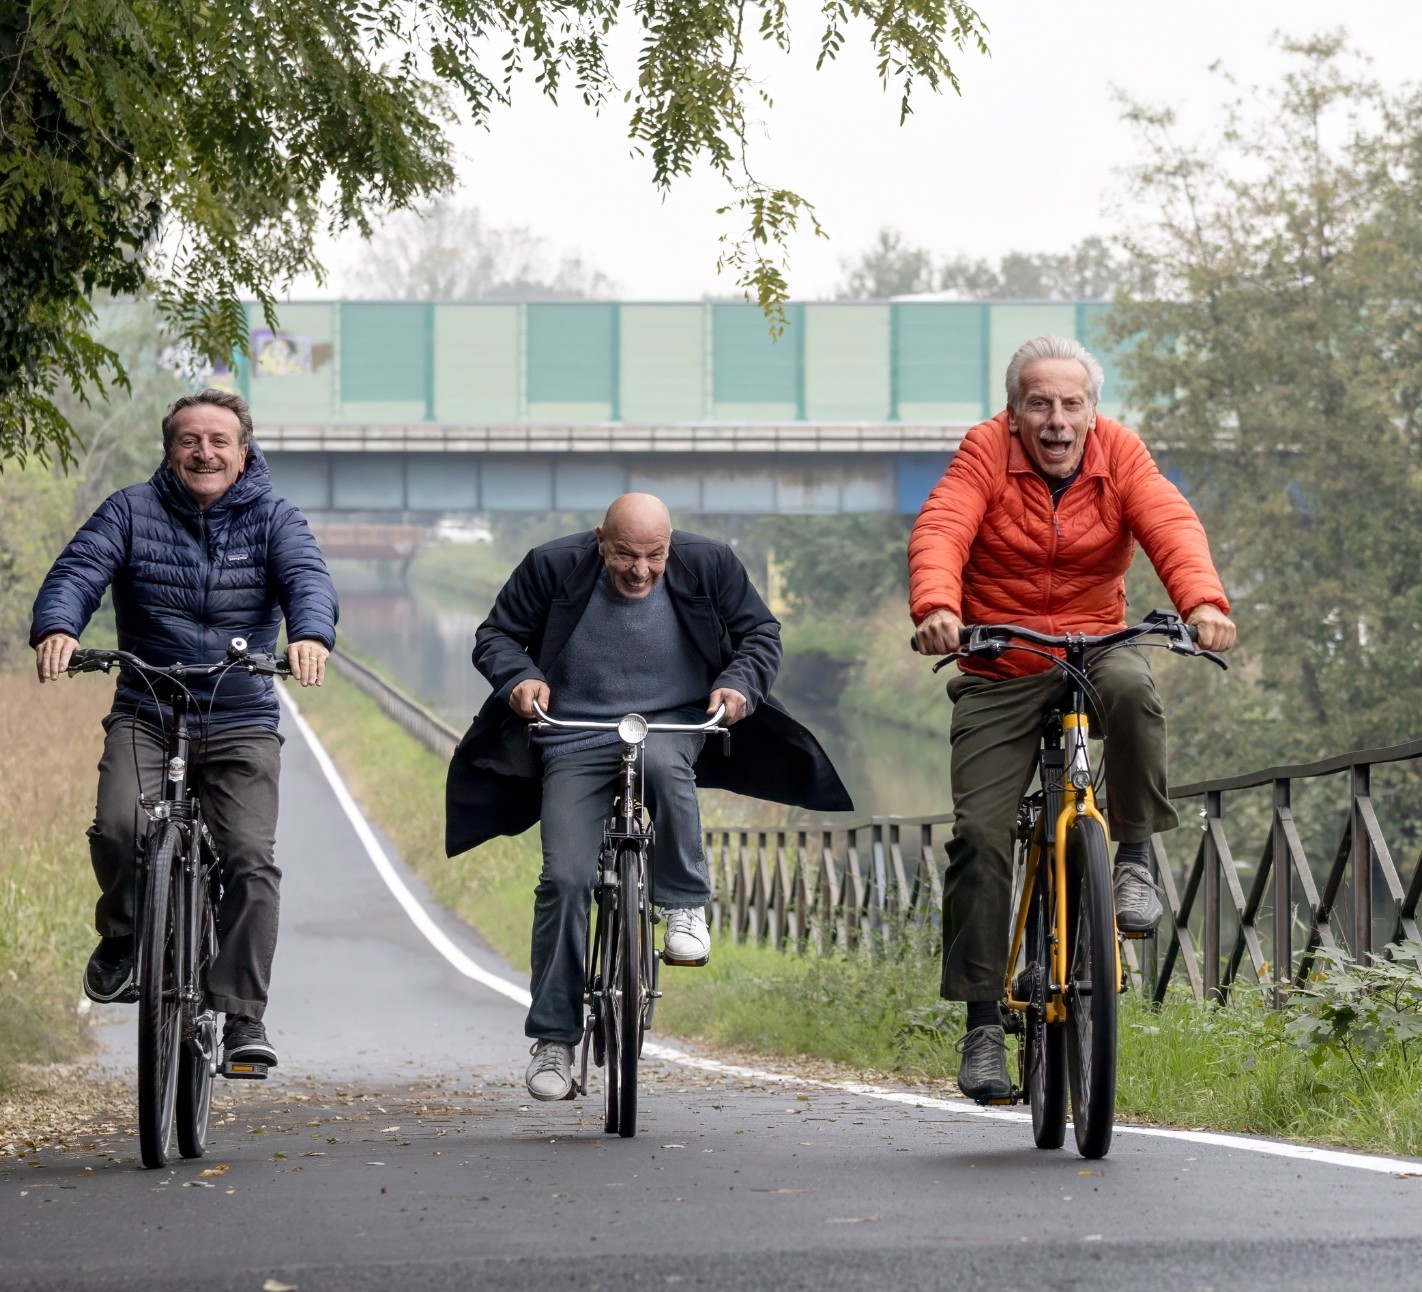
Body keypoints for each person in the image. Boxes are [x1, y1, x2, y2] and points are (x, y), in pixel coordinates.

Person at [908, 336, 1236, 1103]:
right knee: (980, 835)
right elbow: (942, 527)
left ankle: (1133, 857)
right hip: (1001, 660)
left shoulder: (1119, 453)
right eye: (1039, 404)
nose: (1056, 420)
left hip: (1095, 645)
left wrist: (1203, 603)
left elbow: (1169, 522)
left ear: (1092, 409)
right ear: (1014, 412)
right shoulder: (984, 453)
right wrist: (939, 608)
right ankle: (982, 1023)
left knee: (1136, 692)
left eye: (1071, 404)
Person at [447, 494, 852, 1102]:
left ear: (671, 544)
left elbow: (760, 633)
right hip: (575, 734)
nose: (640, 571)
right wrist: (520, 678)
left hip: (672, 722)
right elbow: (496, 635)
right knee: (565, 879)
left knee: (664, 766)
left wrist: (737, 683)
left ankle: (685, 905)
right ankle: (554, 1040)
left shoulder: (709, 563)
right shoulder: (552, 566)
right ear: (600, 541)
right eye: (625, 555)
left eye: (654, 556)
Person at [30, 389, 338, 1078]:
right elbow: (79, 570)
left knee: (250, 860)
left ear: (243, 452)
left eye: (219, 441)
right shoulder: (129, 511)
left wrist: (310, 635)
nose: (204, 452)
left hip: (239, 715)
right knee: (119, 826)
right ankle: (124, 936)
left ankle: (242, 1015)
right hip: (147, 708)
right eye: (189, 441)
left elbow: (307, 581)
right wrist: (59, 626)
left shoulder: (275, 518)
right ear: (170, 451)